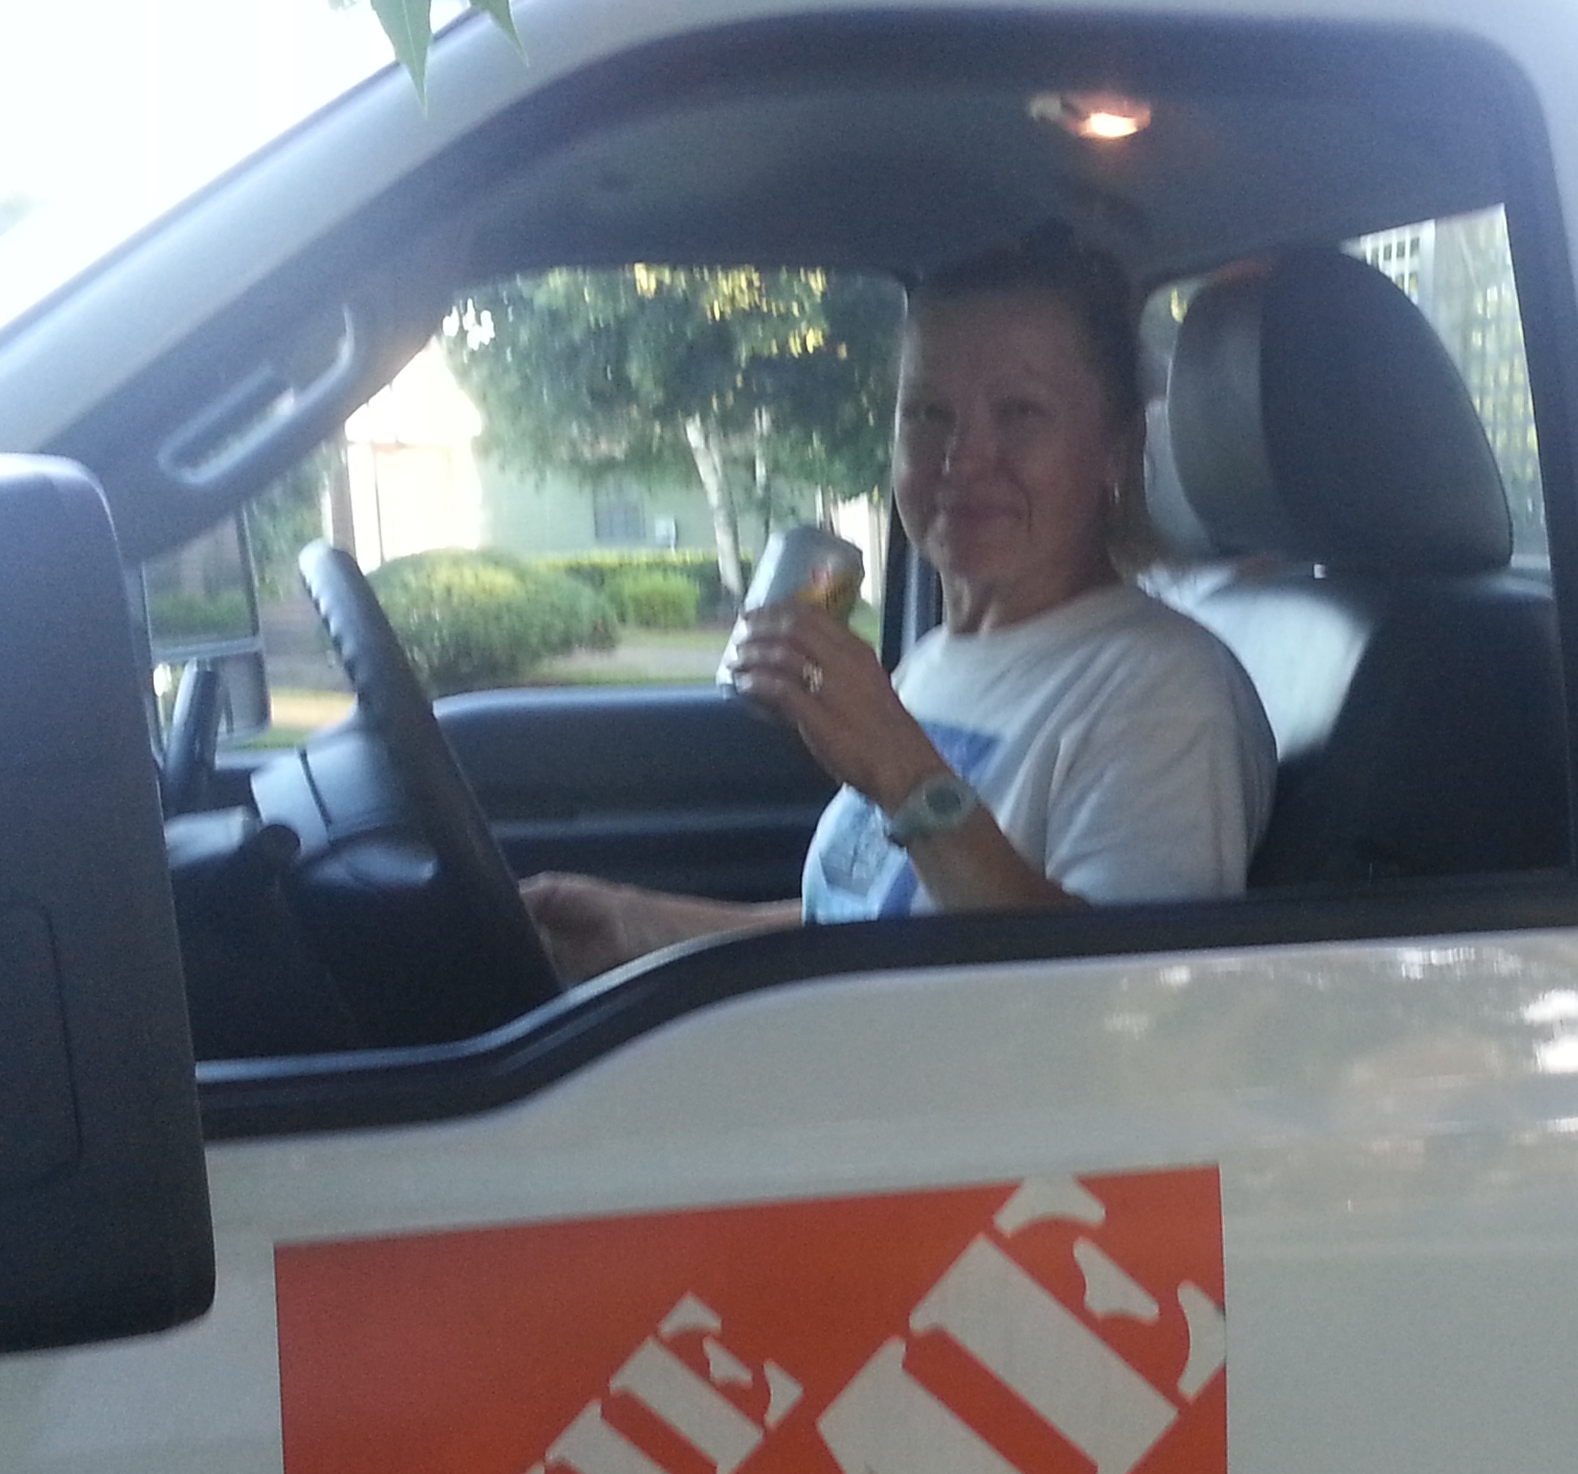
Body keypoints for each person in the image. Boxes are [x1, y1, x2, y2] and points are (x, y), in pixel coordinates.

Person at [520, 233, 1276, 982]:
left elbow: (1118, 1005)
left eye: (1019, 412)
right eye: (927, 414)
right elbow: (878, 925)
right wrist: (644, 929)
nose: (962, 459)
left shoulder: (1167, 691)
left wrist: (902, 770)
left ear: (1116, 449)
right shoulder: (938, 659)